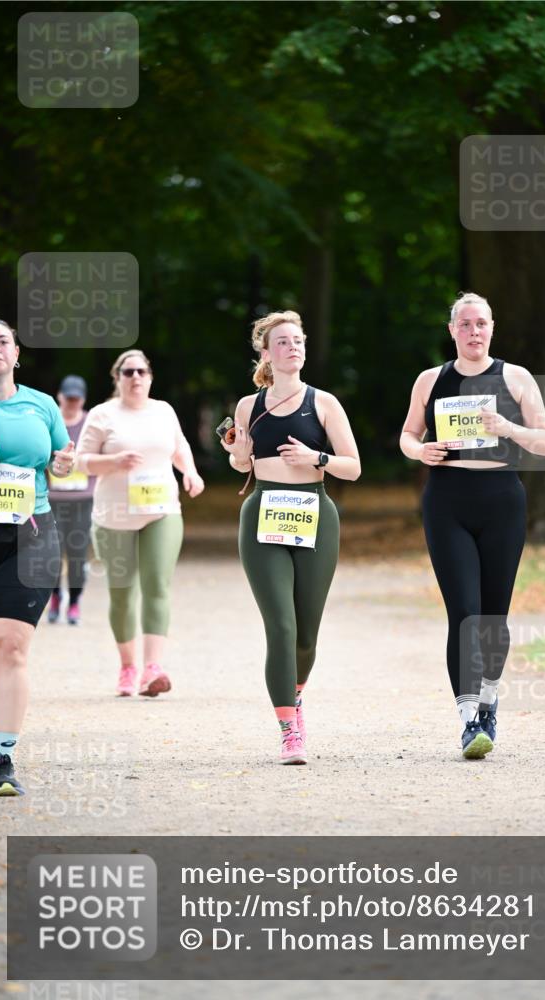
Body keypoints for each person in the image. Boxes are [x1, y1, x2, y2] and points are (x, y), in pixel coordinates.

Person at [400, 292, 545, 759]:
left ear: (492, 328)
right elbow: (408, 434)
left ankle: (489, 700)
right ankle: (469, 720)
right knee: (464, 612)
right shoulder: (430, 380)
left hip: (502, 500)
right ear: (452, 330)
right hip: (447, 502)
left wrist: (508, 428)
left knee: (493, 616)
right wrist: (419, 451)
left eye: (481, 323)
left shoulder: (515, 377)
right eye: (465, 324)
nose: (473, 331)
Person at [221, 310, 360, 765]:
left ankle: (295, 695)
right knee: (281, 627)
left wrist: (316, 457)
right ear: (266, 353)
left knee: (306, 636)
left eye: (298, 341)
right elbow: (241, 464)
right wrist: (237, 453)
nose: (292, 347)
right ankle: (289, 731)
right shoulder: (249, 405)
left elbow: (353, 467)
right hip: (263, 512)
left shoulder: (324, 403)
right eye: (282, 342)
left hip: (314, 513)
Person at [74, 349, 204, 698]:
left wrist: (190, 472)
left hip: (161, 511)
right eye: (128, 372)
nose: (135, 377)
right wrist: (114, 461)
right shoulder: (102, 414)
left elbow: (179, 447)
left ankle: (153, 669)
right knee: (122, 594)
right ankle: (128, 666)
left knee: (157, 585)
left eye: (141, 371)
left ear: (150, 377)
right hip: (114, 515)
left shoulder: (163, 411)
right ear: (117, 378)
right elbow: (81, 462)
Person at [0, 318, 75, 796]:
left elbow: (60, 461)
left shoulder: (42, 404)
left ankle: (2, 759)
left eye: (3, 341)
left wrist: (64, 463)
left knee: (9, 646)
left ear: (17, 352)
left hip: (31, 533)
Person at [47, 375, 96, 625]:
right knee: (52, 553)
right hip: (52, 500)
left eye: (76, 399)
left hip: (82, 501)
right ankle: (55, 596)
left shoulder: (91, 424)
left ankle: (74, 601)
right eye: (68, 398)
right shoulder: (50, 420)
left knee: (77, 554)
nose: (72, 403)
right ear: (60, 396)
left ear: (83, 400)